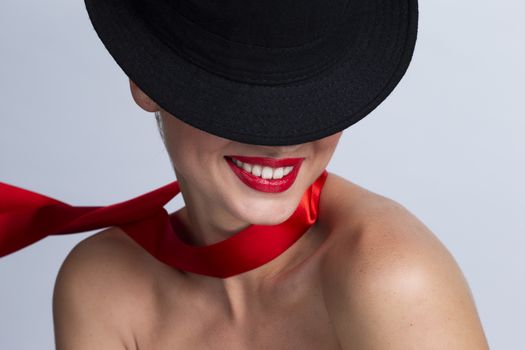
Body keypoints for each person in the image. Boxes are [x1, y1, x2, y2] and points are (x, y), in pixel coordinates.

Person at [0, 0, 489, 348]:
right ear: (146, 84)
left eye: (310, 104)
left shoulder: (390, 278)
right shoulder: (102, 288)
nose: (281, 142)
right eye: (240, 104)